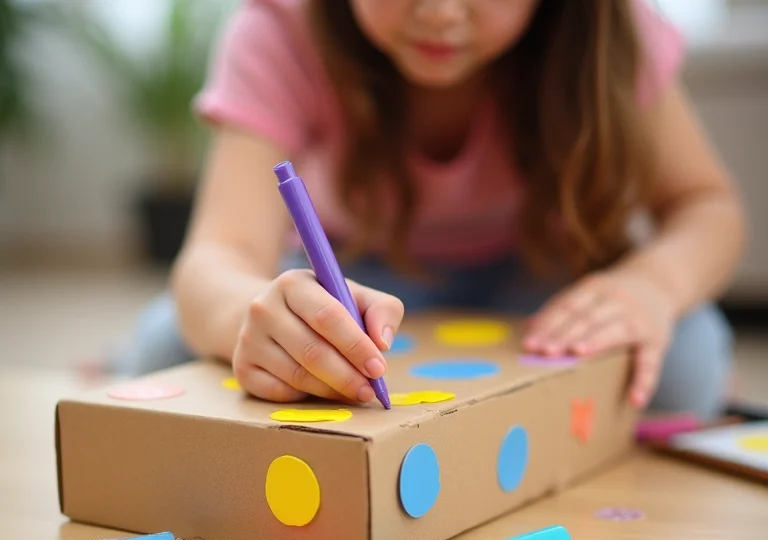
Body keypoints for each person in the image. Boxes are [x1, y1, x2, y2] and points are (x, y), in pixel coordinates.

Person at [125, 0, 745, 418]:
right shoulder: (283, 26)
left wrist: (652, 286)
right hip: (353, 281)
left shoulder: (611, 29)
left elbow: (707, 207)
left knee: (685, 358)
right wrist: (251, 319)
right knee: (163, 347)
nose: (441, 13)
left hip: (543, 282)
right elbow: (220, 252)